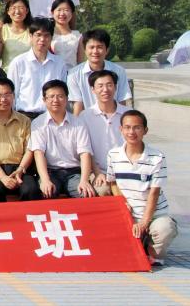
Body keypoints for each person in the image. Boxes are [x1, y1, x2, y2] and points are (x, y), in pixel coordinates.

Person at [107, 110, 179, 266]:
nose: (131, 132)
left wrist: (144, 223)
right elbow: (112, 183)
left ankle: (151, 251)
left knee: (165, 229)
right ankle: (141, 244)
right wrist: (122, 201)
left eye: (137, 127)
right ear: (121, 130)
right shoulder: (113, 155)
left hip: (153, 215)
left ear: (145, 130)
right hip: (128, 215)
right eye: (127, 127)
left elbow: (154, 193)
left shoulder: (157, 157)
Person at [0, 77, 41, 202]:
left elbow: (29, 149)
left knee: (31, 190)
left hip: (20, 167)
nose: (3, 99)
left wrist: (20, 170)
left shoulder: (25, 120)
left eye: (7, 95)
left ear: (13, 96)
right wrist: (3, 178)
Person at [30, 80, 96, 199]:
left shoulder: (79, 123)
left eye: (60, 96)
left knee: (86, 194)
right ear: (44, 100)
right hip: (51, 172)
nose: (55, 100)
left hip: (74, 173)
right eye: (51, 97)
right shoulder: (38, 123)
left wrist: (84, 180)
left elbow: (85, 153)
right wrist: (45, 180)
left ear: (66, 99)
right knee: (46, 192)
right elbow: (39, 153)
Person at [82, 70, 131, 198]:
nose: (105, 90)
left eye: (109, 85)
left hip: (125, 169)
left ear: (115, 87)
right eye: (100, 86)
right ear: (93, 90)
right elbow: (86, 149)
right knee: (102, 191)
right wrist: (97, 172)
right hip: (98, 171)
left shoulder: (128, 114)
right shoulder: (85, 116)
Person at [7, 18, 68, 118]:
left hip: (51, 117)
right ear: (31, 36)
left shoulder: (59, 63)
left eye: (46, 35)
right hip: (24, 117)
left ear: (51, 37)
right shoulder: (18, 63)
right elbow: (11, 93)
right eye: (38, 35)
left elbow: (63, 93)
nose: (42, 39)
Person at [68, 29, 131, 115]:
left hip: (114, 118)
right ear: (85, 49)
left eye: (100, 47)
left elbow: (122, 101)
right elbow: (77, 105)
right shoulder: (73, 74)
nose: (95, 51)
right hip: (87, 120)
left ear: (107, 50)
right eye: (91, 47)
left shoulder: (119, 71)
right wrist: (78, 123)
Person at [0, 0, 32, 72]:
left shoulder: (33, 31)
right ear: (8, 11)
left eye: (21, 8)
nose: (17, 11)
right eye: (13, 8)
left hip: (29, 73)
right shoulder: (2, 29)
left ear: (27, 10)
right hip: (8, 73)